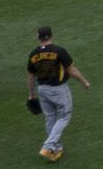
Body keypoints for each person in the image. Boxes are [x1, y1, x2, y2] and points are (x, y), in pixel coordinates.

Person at [27, 25, 91, 162]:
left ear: (38, 38)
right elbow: (71, 70)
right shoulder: (59, 51)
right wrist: (84, 81)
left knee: (50, 118)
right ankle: (48, 145)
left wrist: (31, 94)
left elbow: (31, 76)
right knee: (64, 116)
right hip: (58, 90)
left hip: (42, 89)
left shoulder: (33, 54)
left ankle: (55, 149)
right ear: (51, 35)